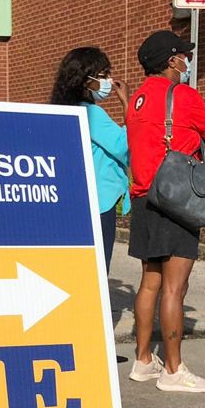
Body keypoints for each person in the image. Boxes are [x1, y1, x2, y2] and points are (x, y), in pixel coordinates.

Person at [125, 31, 205, 392]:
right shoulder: (183, 95)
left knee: (150, 281)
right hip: (175, 199)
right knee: (175, 287)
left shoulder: (136, 98)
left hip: (143, 197)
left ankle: (142, 360)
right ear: (172, 61)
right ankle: (173, 370)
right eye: (184, 56)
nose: (187, 62)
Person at [49, 47, 130, 271]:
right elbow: (125, 147)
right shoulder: (92, 114)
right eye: (103, 75)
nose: (109, 81)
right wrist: (127, 105)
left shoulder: (62, 112)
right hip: (100, 199)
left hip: (75, 199)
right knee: (99, 265)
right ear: (86, 81)